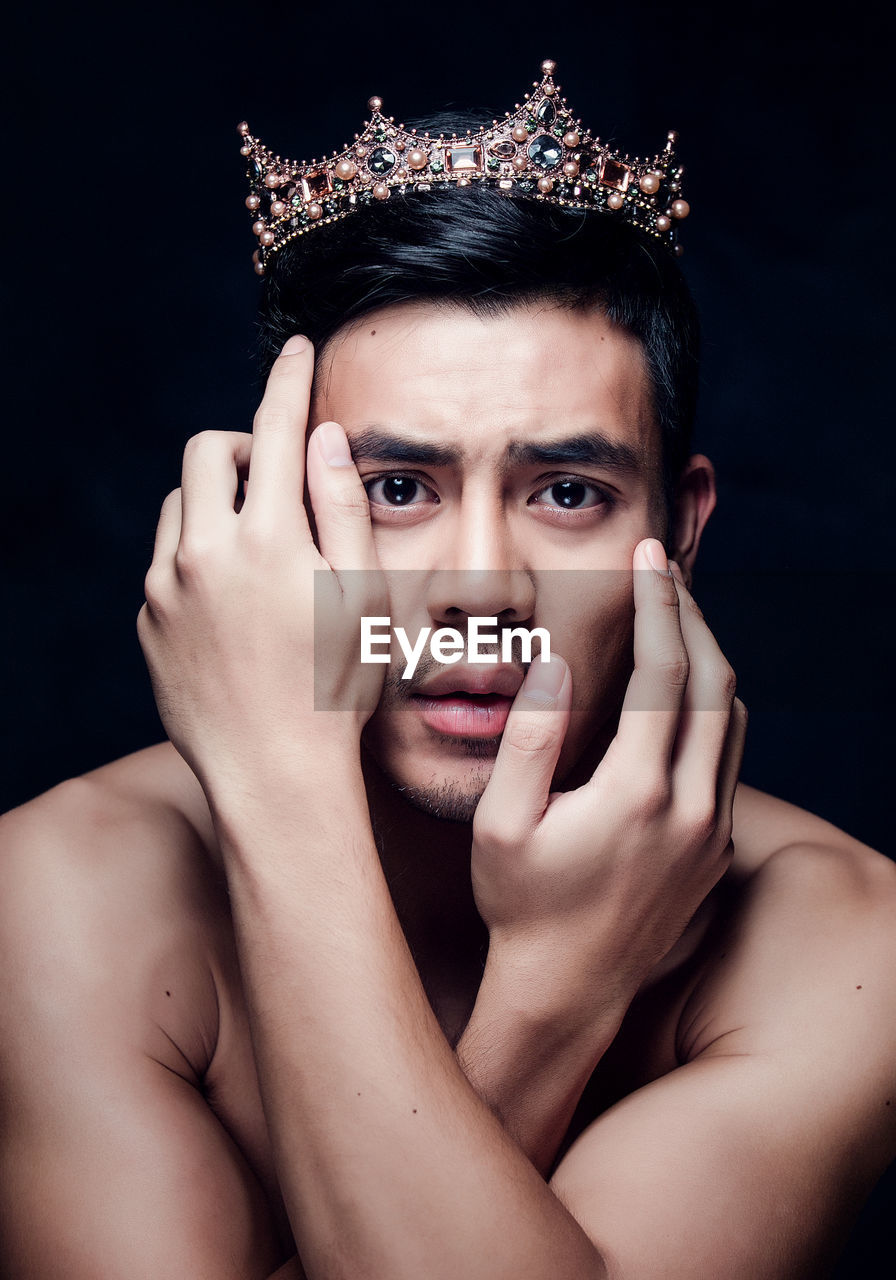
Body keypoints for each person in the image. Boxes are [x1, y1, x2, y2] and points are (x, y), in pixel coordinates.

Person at [1, 61, 894, 1279]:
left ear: (679, 530)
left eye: (567, 491)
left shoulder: (847, 938)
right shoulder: (57, 892)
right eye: (396, 489)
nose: (481, 586)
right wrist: (549, 1004)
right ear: (269, 514)